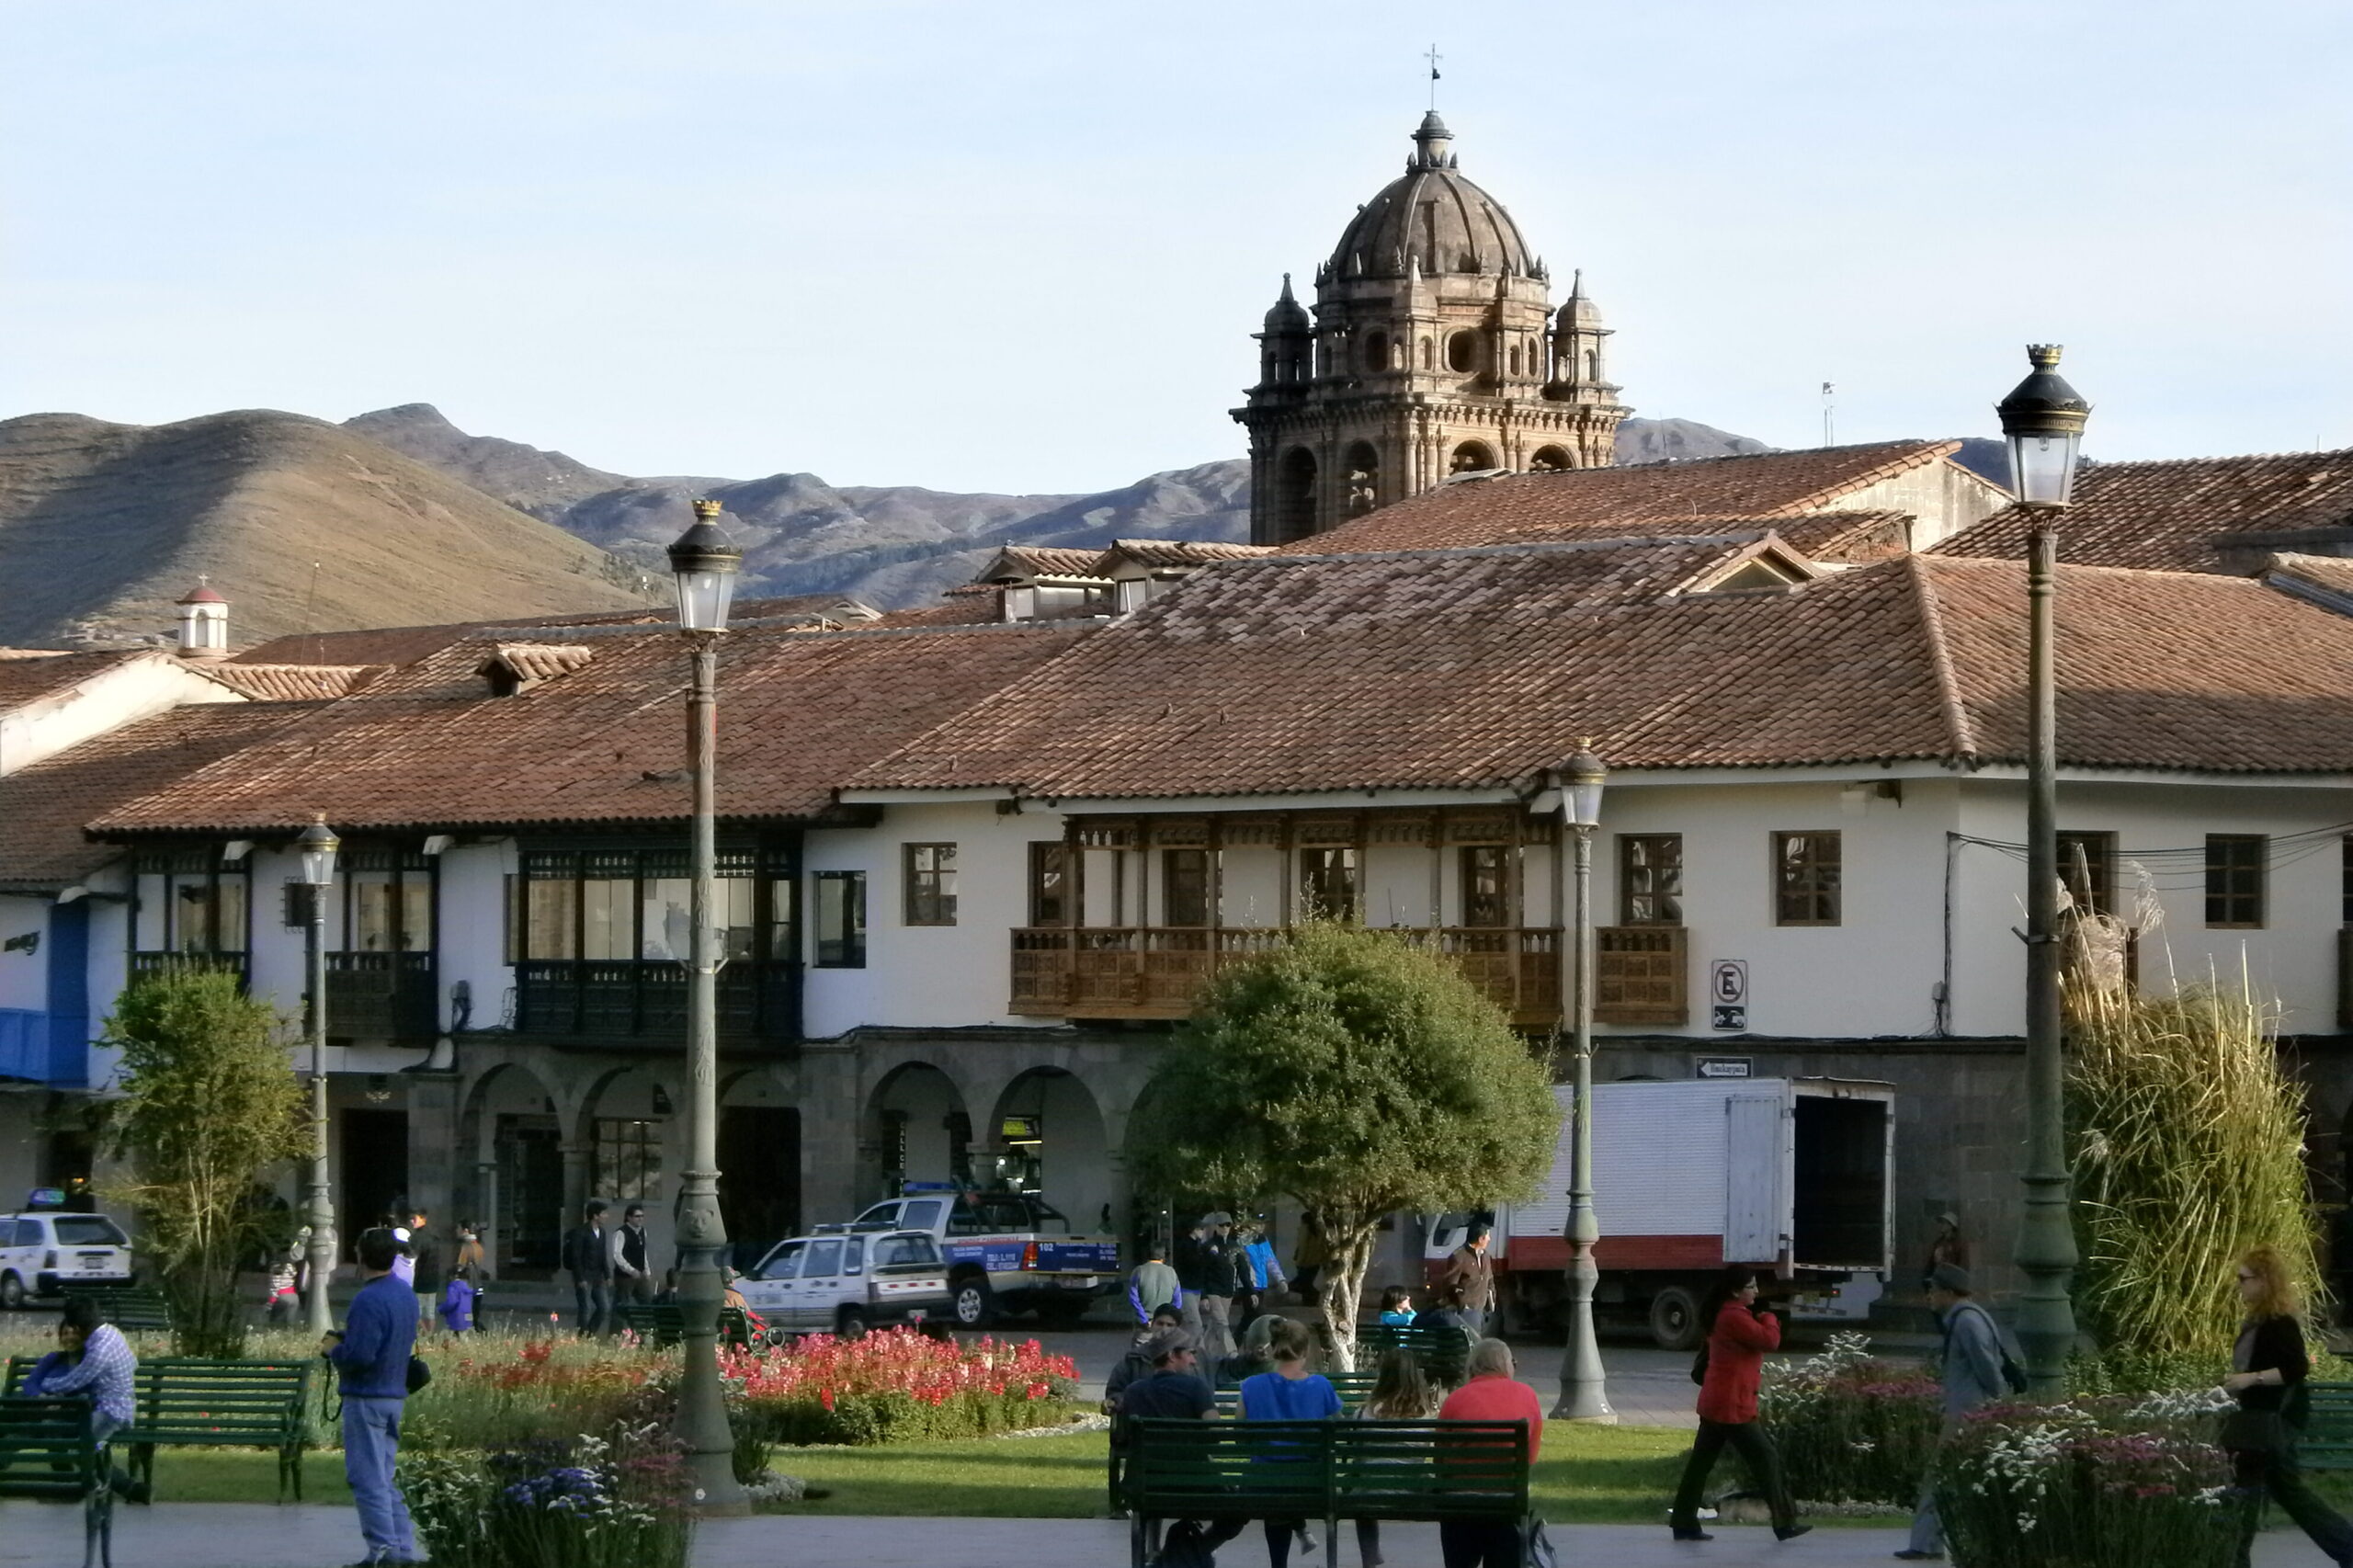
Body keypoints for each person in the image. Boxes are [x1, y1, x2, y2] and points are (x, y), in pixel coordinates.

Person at [2218, 1244, 2353, 1568]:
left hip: (2270, 1422)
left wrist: (2250, 1380)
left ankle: (2234, 1559)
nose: (2239, 1285)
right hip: (2260, 1422)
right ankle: (2346, 1548)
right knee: (2278, 1491)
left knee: (2250, 1491)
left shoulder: (2278, 1323)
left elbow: (2296, 1368)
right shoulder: (2260, 1322)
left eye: (2244, 1278)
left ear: (2264, 1281)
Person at [1669, 1267, 1809, 1544]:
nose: (1756, 1291)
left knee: (1700, 1464)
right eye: (1751, 1286)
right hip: (1732, 1408)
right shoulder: (1733, 1316)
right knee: (1766, 1457)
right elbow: (1770, 1340)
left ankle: (1683, 1522)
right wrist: (1770, 1317)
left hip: (1716, 1404)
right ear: (1735, 1291)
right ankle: (1784, 1523)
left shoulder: (1723, 1313)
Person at [1896, 1264, 2007, 1562]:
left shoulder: (1967, 1322)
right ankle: (1933, 1542)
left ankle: (1925, 1543)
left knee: (1940, 1475)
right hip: (1971, 1410)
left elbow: (1987, 1367)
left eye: (1933, 1291)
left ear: (1948, 1292)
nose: (1929, 1297)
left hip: (1968, 1413)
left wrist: (1999, 1406)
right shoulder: (1965, 1319)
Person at [324, 1226, 422, 1567]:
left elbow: (361, 1356)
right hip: (394, 1393)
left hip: (366, 1397)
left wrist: (335, 1350)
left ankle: (382, 1551)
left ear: (361, 1257)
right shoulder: (405, 1295)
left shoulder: (368, 1298)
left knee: (366, 1478)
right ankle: (401, 1549)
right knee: (385, 1478)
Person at [1437, 1339, 1547, 1568]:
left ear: (1473, 1366)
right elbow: (1530, 1458)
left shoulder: (1455, 1399)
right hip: (1507, 1505)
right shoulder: (1528, 1395)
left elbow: (1441, 1461)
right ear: (1507, 1365)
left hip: (1461, 1508)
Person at [1238, 1316, 1339, 1567]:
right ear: (1305, 1350)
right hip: (1310, 1484)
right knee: (1289, 1480)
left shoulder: (1251, 1386)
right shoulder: (1321, 1385)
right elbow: (1338, 1427)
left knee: (1275, 1481)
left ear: (1272, 1348)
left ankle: (1278, 1564)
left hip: (1262, 1482)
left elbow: (1240, 1435)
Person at [28, 1295, 146, 1500]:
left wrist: (46, 1387)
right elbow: (133, 1363)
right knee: (73, 1440)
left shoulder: (100, 1349)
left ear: (79, 1325)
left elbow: (76, 1380)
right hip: (116, 1407)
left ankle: (90, 1490)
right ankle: (131, 1490)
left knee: (81, 1445)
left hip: (112, 1412)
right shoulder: (113, 1333)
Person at [1353, 1348, 1438, 1568]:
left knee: (1361, 1487)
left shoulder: (1364, 1413)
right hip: (1412, 1494)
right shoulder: (1425, 1416)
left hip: (1371, 1493)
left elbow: (1357, 1454)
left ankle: (1369, 1557)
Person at [1176, 1211, 1239, 1363]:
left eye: (1228, 1225)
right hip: (1190, 1290)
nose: (1203, 1232)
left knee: (1210, 1326)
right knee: (1203, 1324)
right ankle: (1231, 1355)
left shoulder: (1200, 1246)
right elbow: (1197, 1266)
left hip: (1201, 1289)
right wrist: (1210, 1254)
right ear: (1194, 1229)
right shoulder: (1188, 1245)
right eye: (1200, 1229)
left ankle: (1205, 1355)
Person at [1107, 1304, 1186, 1412]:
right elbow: (1115, 1391)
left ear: (1178, 1330)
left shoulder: (1186, 1360)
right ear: (1152, 1325)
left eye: (1170, 1325)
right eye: (1160, 1323)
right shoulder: (1133, 1359)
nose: (1164, 1329)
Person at [561, 1199, 613, 1335]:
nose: (606, 1216)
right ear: (595, 1216)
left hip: (598, 1276)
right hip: (584, 1275)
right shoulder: (581, 1232)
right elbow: (576, 1257)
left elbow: (603, 1255)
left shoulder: (602, 1232)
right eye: (604, 1214)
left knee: (604, 1307)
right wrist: (580, 1278)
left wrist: (607, 1275)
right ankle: (582, 1336)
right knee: (585, 1308)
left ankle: (589, 1333)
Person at [1438, 1223, 1495, 1339]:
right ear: (1480, 1239)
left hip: (1481, 1311)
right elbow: (1450, 1285)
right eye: (1487, 1236)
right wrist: (1463, 1305)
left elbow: (1489, 1279)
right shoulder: (1459, 1256)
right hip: (1465, 1314)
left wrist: (1492, 1300)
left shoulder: (1486, 1256)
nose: (1489, 1239)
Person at [609, 1203, 656, 1305]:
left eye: (642, 1216)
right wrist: (630, 1270)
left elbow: (643, 1252)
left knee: (649, 1301)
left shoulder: (643, 1231)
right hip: (624, 1277)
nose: (640, 1219)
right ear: (629, 1217)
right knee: (622, 1304)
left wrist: (647, 1271)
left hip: (640, 1274)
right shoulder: (621, 1233)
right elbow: (617, 1255)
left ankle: (646, 1321)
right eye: (637, 1216)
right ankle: (619, 1321)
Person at [1130, 1239, 1181, 1327]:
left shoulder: (1139, 1271)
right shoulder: (1171, 1272)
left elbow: (1133, 1298)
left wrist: (1144, 1320)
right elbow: (1177, 1301)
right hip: (1165, 1323)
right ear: (1164, 1256)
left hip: (1145, 1321)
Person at [1920, 1211, 1969, 1292]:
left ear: (1951, 1226)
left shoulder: (1958, 1244)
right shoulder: (1938, 1243)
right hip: (1939, 1279)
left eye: (1944, 1223)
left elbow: (1963, 1265)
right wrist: (1927, 1277)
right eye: (1941, 1223)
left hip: (1951, 1282)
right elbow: (1931, 1262)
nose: (1941, 1225)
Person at [437, 1264, 478, 1336]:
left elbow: (452, 1302)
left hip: (456, 1317)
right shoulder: (468, 1287)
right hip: (468, 1316)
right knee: (465, 1338)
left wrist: (440, 1309)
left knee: (449, 1337)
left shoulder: (453, 1287)